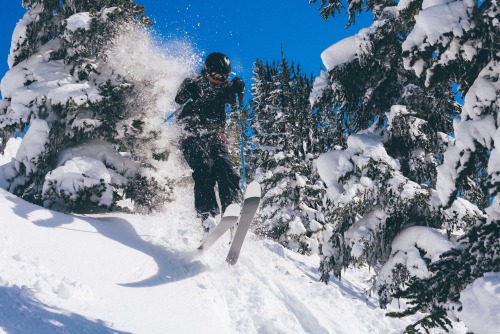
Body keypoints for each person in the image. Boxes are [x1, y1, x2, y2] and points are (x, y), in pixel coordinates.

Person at [175, 52, 245, 232]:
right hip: (191, 134)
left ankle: (231, 212)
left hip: (215, 137)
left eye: (223, 76)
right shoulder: (192, 82)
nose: (219, 79)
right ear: (207, 70)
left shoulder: (224, 87)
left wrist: (239, 89)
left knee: (226, 168)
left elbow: (236, 103)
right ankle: (207, 216)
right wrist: (190, 92)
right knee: (204, 168)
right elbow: (179, 99)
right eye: (216, 75)